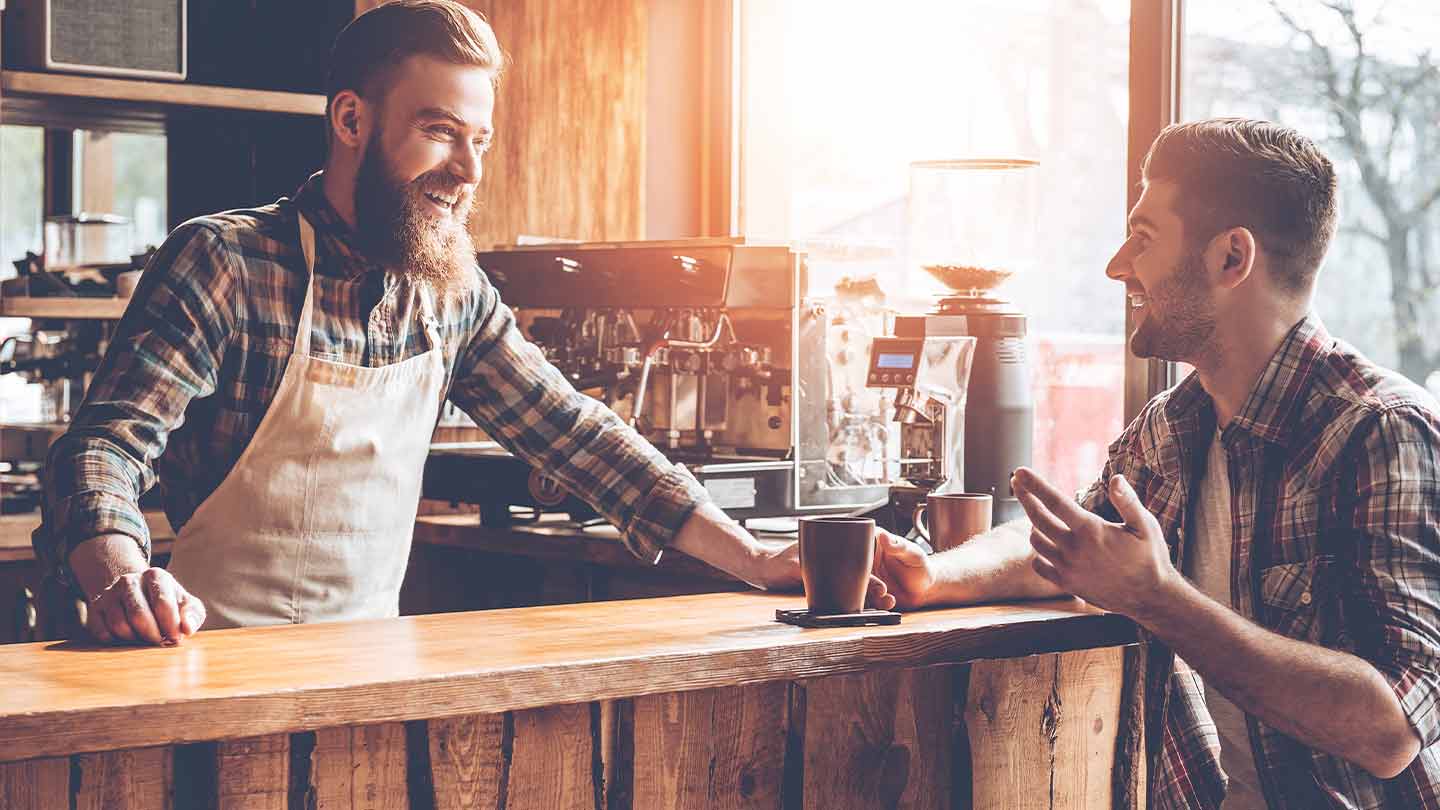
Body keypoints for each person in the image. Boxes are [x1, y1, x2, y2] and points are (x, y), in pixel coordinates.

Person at [35, 0, 836, 646]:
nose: (470, 169)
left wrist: (756, 557)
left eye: (479, 139)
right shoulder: (227, 262)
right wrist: (122, 577)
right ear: (351, 120)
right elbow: (103, 449)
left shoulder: (451, 294)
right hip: (209, 666)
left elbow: (574, 434)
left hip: (376, 671)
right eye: (440, 131)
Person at [872, 119, 1440, 808]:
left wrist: (1157, 598)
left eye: (1142, 237)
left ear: (1231, 258)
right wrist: (933, 575)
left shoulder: (1381, 430)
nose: (1118, 267)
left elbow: (1392, 731)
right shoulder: (1175, 423)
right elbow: (1074, 541)